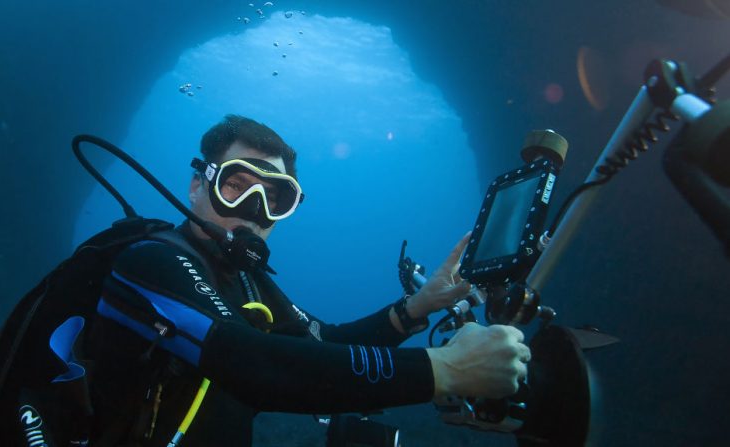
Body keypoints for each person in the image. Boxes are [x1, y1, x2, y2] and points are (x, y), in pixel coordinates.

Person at [34, 115, 531, 446]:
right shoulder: (150, 263)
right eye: (235, 185)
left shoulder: (250, 284)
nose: (254, 211)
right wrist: (442, 367)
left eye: (275, 197)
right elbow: (252, 362)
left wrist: (418, 307)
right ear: (196, 184)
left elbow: (327, 343)